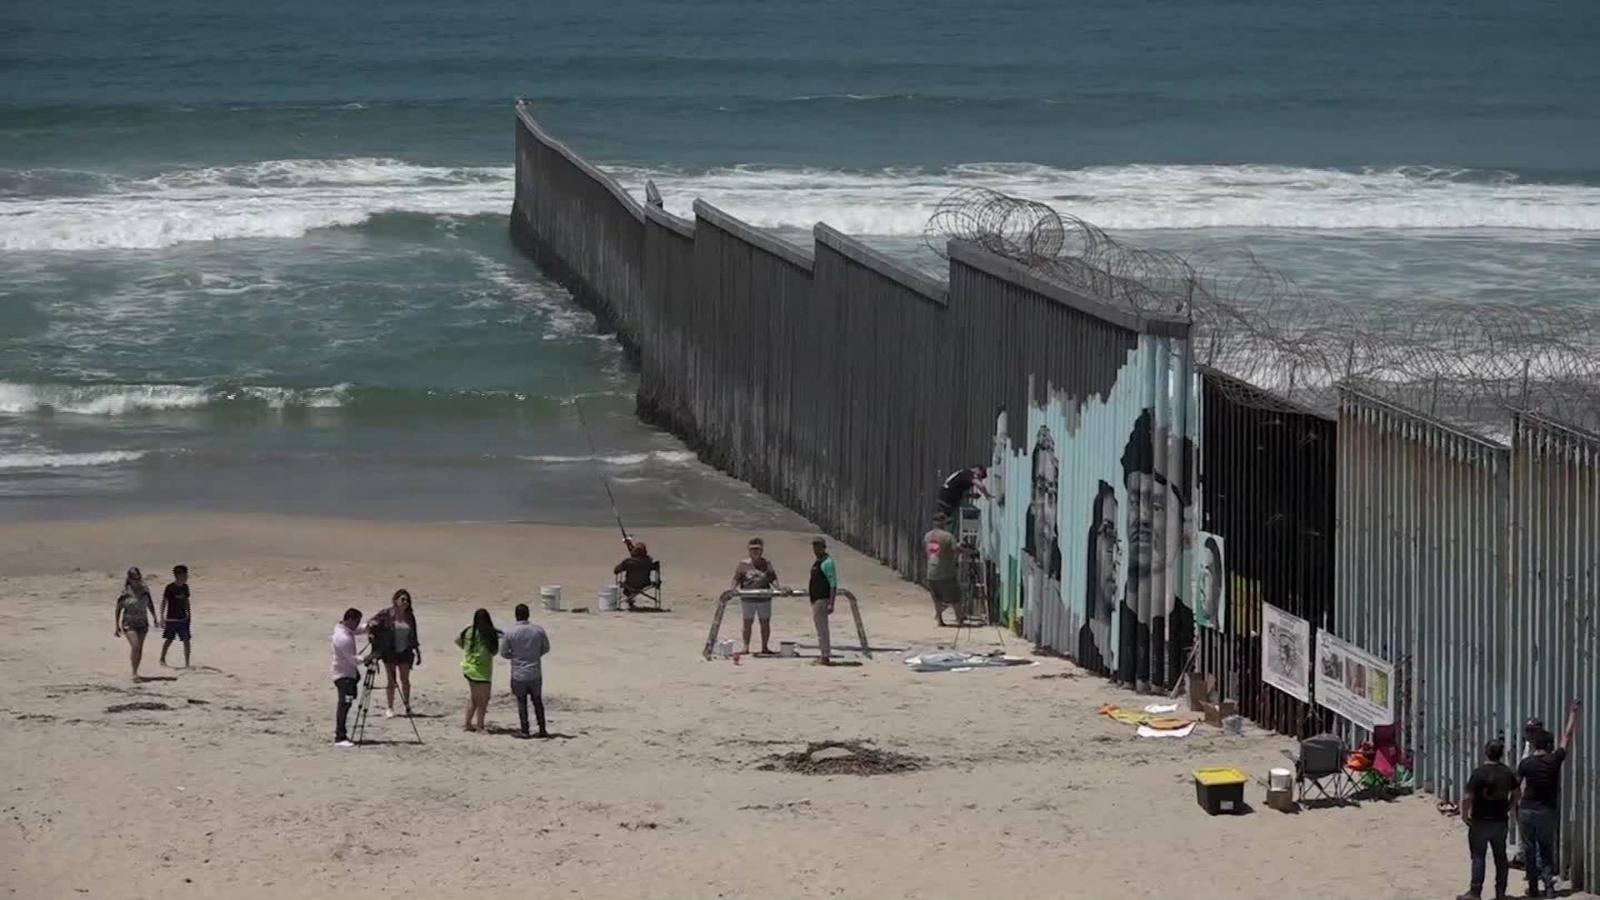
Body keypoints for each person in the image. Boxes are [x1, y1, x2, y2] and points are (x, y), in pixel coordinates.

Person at [1517, 699, 1580, 898]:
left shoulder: (1526, 764)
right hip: (1547, 811)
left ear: (1534, 743)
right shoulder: (1554, 760)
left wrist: (1515, 805)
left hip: (1527, 810)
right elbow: (1567, 736)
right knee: (1546, 848)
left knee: (1529, 849)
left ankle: (1533, 888)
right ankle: (1549, 886)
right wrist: (1573, 714)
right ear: (1549, 745)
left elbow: (1517, 787)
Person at [1458, 738, 1518, 900]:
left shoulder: (1479, 773)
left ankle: (1475, 892)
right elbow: (1516, 793)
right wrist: (1509, 806)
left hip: (1480, 820)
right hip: (1500, 820)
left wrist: (1464, 815)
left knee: (1478, 856)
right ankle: (1500, 892)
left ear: (1486, 752)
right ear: (1501, 754)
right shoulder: (1507, 772)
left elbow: (1467, 797)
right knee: (1501, 857)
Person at [366, 589, 422, 718]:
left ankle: (407, 705)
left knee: (405, 680)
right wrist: (373, 632)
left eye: (407, 600)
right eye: (402, 599)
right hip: (389, 651)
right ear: (396, 600)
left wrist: (418, 652)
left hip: (405, 652)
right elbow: (370, 623)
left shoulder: (410, 616)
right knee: (391, 681)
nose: (405, 602)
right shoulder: (387, 614)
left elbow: (414, 635)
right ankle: (390, 707)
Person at [500, 603, 551, 738]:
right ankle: (542, 728)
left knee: (521, 702)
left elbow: (504, 652)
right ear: (528, 614)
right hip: (535, 671)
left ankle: (525, 730)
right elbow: (546, 648)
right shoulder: (538, 630)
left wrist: (515, 657)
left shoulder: (510, 632)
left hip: (518, 672)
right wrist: (534, 655)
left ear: (516, 615)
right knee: (537, 701)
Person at [329, 607, 370, 748]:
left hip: (349, 674)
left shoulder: (345, 629)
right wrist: (370, 656)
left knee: (348, 702)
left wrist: (370, 626)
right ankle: (340, 737)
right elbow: (354, 660)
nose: (357, 625)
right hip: (344, 675)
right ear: (350, 620)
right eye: (356, 622)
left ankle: (341, 734)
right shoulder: (343, 637)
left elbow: (358, 630)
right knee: (344, 705)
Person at [456, 609, 500, 733]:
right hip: (483, 670)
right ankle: (480, 725)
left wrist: (468, 650)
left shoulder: (469, 630)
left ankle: (468, 723)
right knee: (484, 699)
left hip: (469, 667)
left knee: (474, 698)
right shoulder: (489, 633)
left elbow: (458, 641)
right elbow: (494, 651)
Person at [113, 567, 161, 681]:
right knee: (135, 646)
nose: (136, 580)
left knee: (139, 648)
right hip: (129, 623)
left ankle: (136, 671)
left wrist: (154, 617)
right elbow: (118, 608)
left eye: (138, 577)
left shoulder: (145, 591)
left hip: (143, 623)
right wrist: (116, 625)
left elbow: (150, 604)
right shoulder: (125, 593)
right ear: (129, 579)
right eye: (134, 578)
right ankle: (134, 673)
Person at [732, 538, 779, 655]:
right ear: (748, 550)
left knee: (765, 623)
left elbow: (773, 579)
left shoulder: (767, 564)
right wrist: (732, 589)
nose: (755, 551)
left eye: (758, 549)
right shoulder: (743, 564)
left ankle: (764, 647)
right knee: (747, 623)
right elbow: (736, 579)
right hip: (747, 599)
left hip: (764, 598)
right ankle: (746, 647)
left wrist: (778, 588)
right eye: (753, 549)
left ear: (762, 550)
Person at [924, 513, 960, 626]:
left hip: (931, 571)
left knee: (937, 598)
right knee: (955, 597)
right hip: (946, 572)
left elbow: (930, 551)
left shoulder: (928, 536)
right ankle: (959, 618)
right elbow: (956, 549)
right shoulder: (948, 536)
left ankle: (940, 619)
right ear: (943, 522)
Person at [808, 537, 838, 665]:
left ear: (823, 547)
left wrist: (831, 602)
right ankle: (823, 654)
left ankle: (825, 656)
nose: (816, 549)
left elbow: (833, 583)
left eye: (818, 546)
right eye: (814, 546)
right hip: (816, 599)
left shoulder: (828, 562)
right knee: (819, 628)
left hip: (822, 599)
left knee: (822, 629)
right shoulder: (818, 562)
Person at [159, 564, 193, 668]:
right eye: (184, 575)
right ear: (178, 575)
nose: (186, 577)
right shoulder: (170, 588)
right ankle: (162, 658)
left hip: (183, 618)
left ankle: (187, 663)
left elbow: (186, 601)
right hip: (171, 619)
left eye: (186, 574)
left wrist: (189, 613)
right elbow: (164, 602)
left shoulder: (185, 587)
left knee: (186, 640)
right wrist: (161, 617)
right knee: (169, 639)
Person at [614, 540, 656, 610]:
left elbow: (616, 571)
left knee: (626, 587)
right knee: (630, 584)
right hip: (645, 583)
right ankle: (630, 601)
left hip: (630, 584)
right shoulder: (648, 561)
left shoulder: (628, 562)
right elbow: (648, 560)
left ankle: (630, 601)